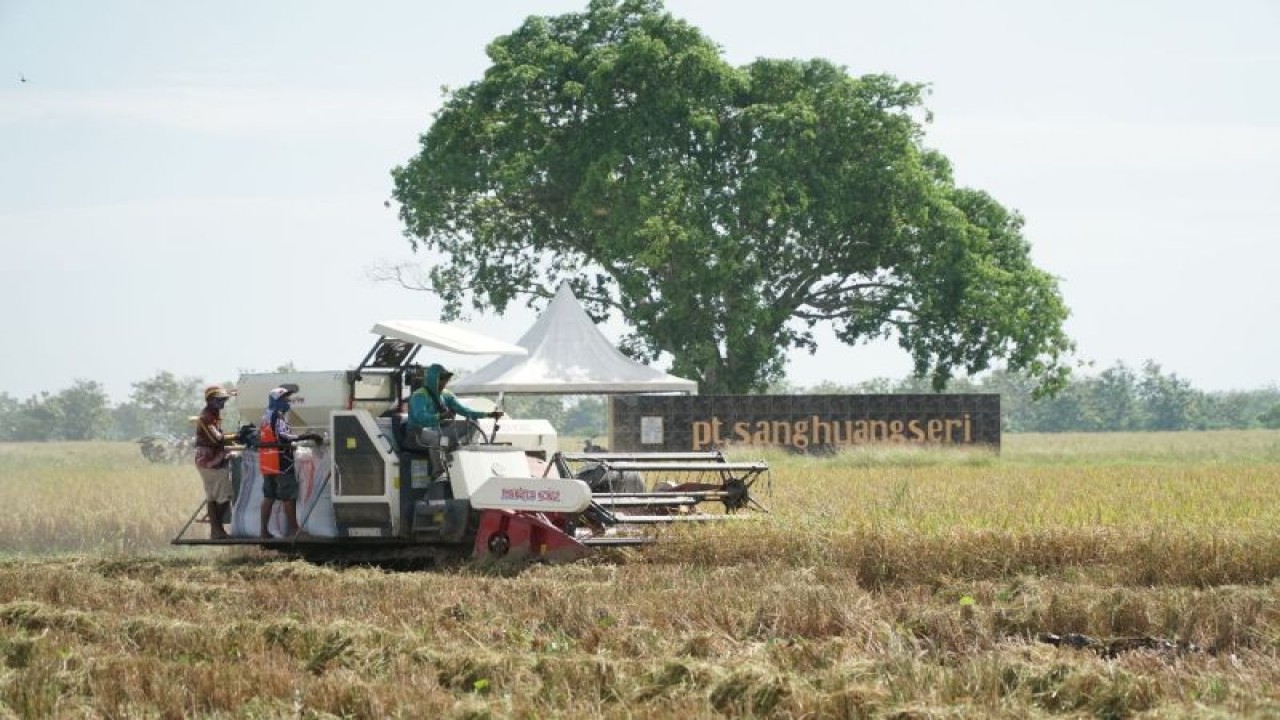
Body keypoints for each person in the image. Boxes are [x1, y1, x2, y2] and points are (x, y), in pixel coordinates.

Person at [258, 386, 321, 539]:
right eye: (285, 398)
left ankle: (263, 531)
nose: (287, 401)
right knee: (288, 495)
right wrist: (307, 436)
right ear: (277, 400)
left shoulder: (265, 415)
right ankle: (293, 530)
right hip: (281, 461)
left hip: (268, 461)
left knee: (269, 496)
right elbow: (285, 436)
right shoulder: (277, 416)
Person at [407, 364, 503, 448]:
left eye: (446, 380)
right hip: (418, 432)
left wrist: (489, 414)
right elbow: (420, 417)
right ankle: (439, 468)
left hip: (438, 429)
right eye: (442, 379)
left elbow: (465, 411)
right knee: (440, 439)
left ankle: (465, 453)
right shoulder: (419, 395)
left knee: (473, 424)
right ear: (433, 379)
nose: (445, 382)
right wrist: (441, 416)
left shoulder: (446, 395)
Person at [194, 385, 236, 539]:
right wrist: (236, 436)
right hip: (211, 462)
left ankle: (216, 531)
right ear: (210, 400)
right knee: (225, 496)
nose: (223, 403)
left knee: (212, 497)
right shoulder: (206, 417)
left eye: (224, 400)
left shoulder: (214, 414)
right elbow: (216, 438)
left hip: (207, 462)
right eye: (220, 400)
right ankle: (217, 530)